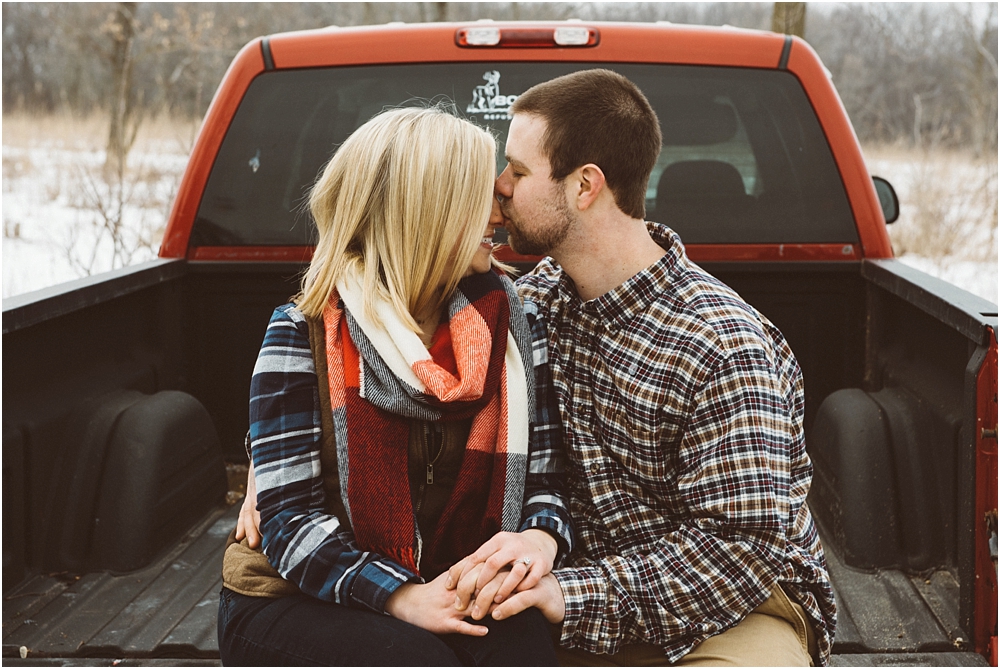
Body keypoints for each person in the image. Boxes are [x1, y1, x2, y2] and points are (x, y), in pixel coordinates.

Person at [445, 69, 837, 667]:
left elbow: (739, 552)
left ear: (584, 186)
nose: (498, 187)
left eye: (518, 171)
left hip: (732, 608)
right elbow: (402, 308)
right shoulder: (532, 304)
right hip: (568, 590)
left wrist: (570, 595)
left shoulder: (721, 345)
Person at [219, 106, 574, 666]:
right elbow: (289, 524)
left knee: (525, 649)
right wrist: (402, 597)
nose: (499, 212)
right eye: (479, 196)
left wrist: (538, 539)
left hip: (453, 582)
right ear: (428, 211)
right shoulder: (303, 332)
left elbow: (547, 481)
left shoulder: (514, 325)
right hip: (299, 593)